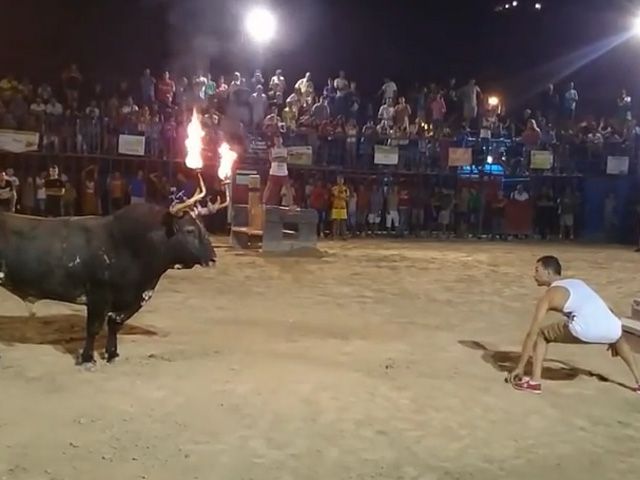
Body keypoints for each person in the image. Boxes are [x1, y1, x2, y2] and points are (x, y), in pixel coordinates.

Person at [506, 255, 640, 395]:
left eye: (537, 270)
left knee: (541, 335)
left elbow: (531, 334)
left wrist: (520, 366)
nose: (534, 275)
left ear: (548, 272)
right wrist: (612, 336)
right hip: (612, 326)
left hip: (585, 329)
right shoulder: (578, 282)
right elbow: (606, 308)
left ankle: (534, 382)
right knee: (618, 336)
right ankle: (639, 382)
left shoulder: (549, 296)